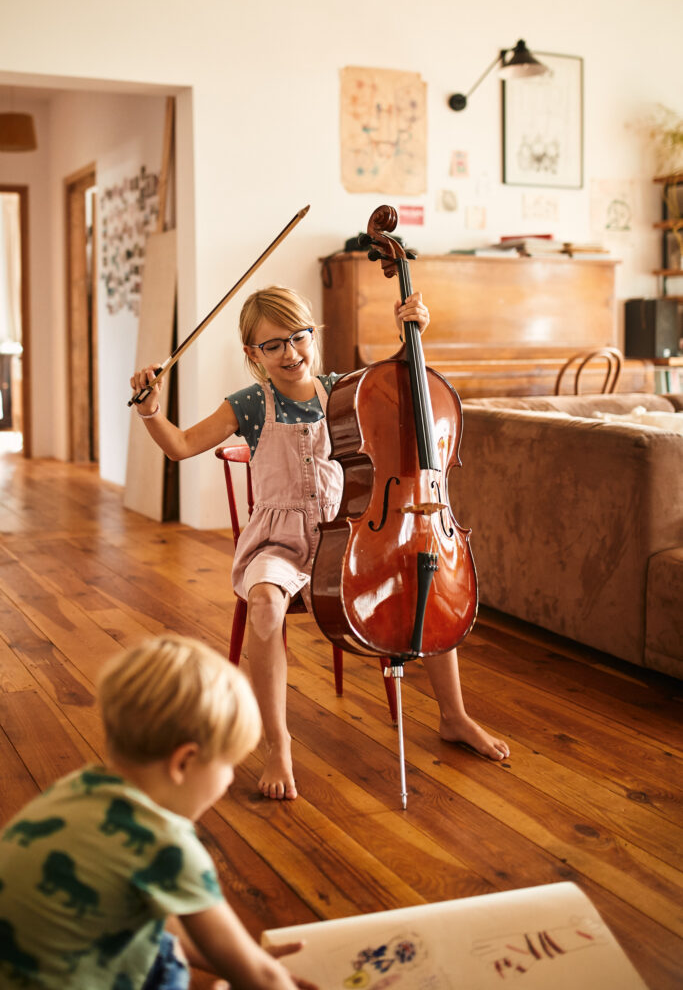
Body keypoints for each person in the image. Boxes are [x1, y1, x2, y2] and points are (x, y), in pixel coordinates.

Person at [130, 286, 510, 801]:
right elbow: (179, 448)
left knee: (424, 577)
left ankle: (455, 716)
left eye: (299, 337)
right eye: (273, 346)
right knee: (264, 601)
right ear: (252, 355)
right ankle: (278, 743)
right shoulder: (249, 404)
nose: (291, 353)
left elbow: (407, 391)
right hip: (280, 544)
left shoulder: (348, 391)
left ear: (314, 334)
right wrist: (152, 410)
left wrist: (410, 336)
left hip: (351, 535)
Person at [0, 635, 316, 990]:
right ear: (184, 761)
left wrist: (241, 960)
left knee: (162, 944)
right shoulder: (164, 844)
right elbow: (264, 980)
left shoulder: (77, 789)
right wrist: (256, 970)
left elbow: (157, 913)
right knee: (171, 966)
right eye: (229, 765)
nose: (229, 781)